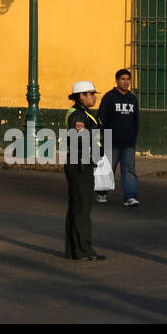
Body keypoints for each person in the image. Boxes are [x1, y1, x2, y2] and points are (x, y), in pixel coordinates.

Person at [64, 81, 105, 261]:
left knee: (77, 206)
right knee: (82, 208)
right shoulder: (78, 116)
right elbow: (79, 139)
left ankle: (75, 250)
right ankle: (83, 250)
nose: (94, 96)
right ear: (81, 95)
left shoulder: (83, 114)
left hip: (81, 162)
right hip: (80, 164)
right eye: (91, 93)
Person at [97, 68, 140, 207]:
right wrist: (102, 139)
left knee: (129, 170)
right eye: (122, 79)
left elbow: (136, 121)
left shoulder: (133, 99)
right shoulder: (109, 97)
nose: (126, 82)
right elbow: (101, 119)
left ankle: (130, 197)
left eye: (128, 79)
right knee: (108, 168)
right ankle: (102, 193)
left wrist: (133, 138)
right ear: (116, 81)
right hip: (111, 141)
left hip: (128, 142)